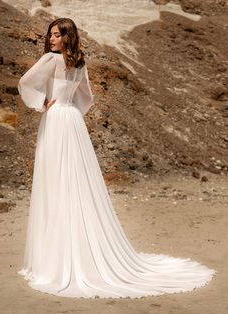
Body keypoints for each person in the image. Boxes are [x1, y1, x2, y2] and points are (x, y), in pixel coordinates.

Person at [17, 17, 215, 299]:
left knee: (55, 183)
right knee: (75, 183)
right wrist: (72, 112)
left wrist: (42, 104)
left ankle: (53, 257)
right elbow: (87, 98)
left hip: (56, 120)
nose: (51, 39)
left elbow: (25, 82)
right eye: (50, 34)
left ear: (66, 37)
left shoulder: (50, 60)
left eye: (57, 35)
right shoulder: (80, 63)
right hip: (73, 123)